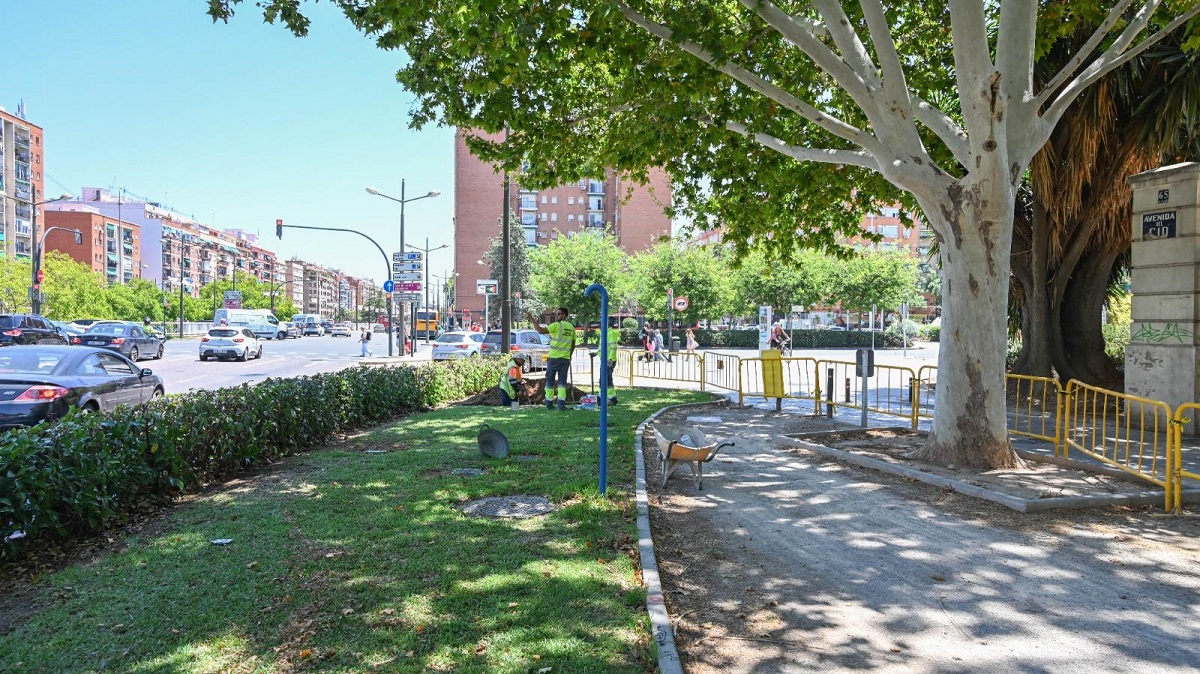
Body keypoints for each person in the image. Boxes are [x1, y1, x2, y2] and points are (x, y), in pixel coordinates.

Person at [526, 307, 575, 410]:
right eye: (556, 314)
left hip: (554, 358)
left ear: (564, 315)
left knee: (550, 382)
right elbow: (573, 344)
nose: (556, 316)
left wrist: (532, 319)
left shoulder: (556, 325)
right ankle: (561, 405)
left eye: (559, 314)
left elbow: (540, 330)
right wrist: (569, 356)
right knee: (562, 383)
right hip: (565, 359)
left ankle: (549, 404)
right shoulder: (571, 328)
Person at [604, 320, 620, 405]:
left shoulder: (611, 333)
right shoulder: (605, 333)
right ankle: (603, 397)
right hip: (604, 360)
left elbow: (613, 348)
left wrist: (610, 359)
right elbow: (602, 348)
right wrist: (595, 353)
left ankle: (612, 398)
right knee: (603, 379)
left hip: (609, 360)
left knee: (607, 379)